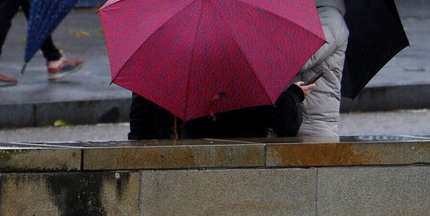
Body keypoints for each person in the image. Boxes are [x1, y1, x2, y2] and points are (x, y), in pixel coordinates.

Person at [128, 83, 313, 140]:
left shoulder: (161, 57)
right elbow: (285, 121)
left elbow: (139, 127)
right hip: (241, 162)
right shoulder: (240, 60)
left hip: (187, 155)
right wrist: (294, 94)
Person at [295, 0, 349, 139]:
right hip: (290, 121)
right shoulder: (298, 11)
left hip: (313, 127)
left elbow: (299, 59)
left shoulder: (330, 19)